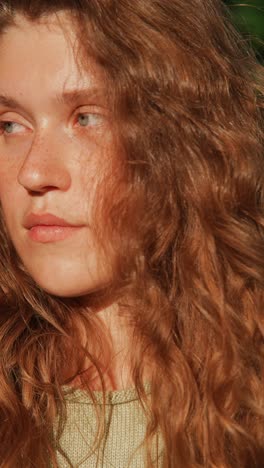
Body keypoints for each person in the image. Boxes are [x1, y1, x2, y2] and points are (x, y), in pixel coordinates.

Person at [0, 0, 263, 466]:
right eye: (10, 125)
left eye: (86, 118)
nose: (33, 173)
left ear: (183, 140)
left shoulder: (249, 396)